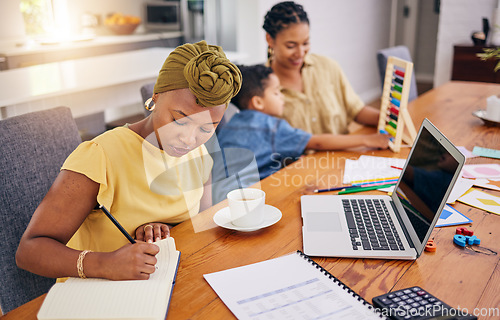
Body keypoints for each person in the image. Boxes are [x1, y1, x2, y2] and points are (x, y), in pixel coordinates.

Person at [16, 41, 242, 281]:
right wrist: (105, 264)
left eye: (207, 128)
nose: (188, 139)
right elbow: (29, 251)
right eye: (179, 120)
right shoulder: (100, 156)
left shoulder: (199, 154)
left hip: (168, 282)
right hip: (102, 292)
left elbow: (200, 227)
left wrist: (163, 229)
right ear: (156, 96)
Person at [217, 64, 387, 181]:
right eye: (276, 93)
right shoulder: (272, 127)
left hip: (219, 197)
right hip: (251, 196)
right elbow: (318, 142)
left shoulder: (231, 124)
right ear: (258, 102)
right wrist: (368, 139)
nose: (282, 97)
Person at [263, 1, 389, 148]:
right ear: (270, 40)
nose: (300, 53)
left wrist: (389, 119)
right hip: (301, 168)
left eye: (305, 43)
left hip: (345, 158)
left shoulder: (327, 67)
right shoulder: (262, 86)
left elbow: (356, 109)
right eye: (291, 46)